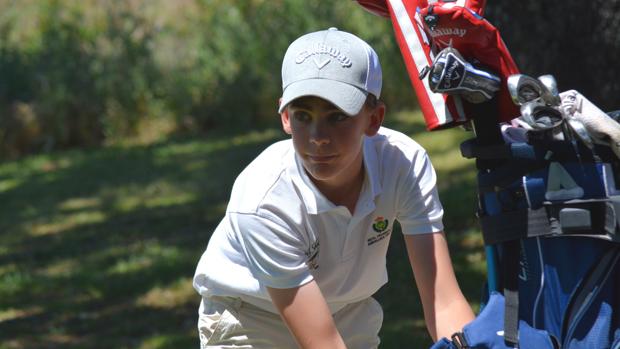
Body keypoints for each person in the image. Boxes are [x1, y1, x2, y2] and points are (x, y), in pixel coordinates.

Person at [193, 27, 475, 349]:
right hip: (251, 319)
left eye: (337, 116)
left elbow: (444, 303)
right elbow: (324, 344)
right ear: (285, 117)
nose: (318, 137)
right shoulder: (264, 202)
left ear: (374, 119)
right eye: (303, 116)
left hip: (349, 310)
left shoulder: (403, 164)